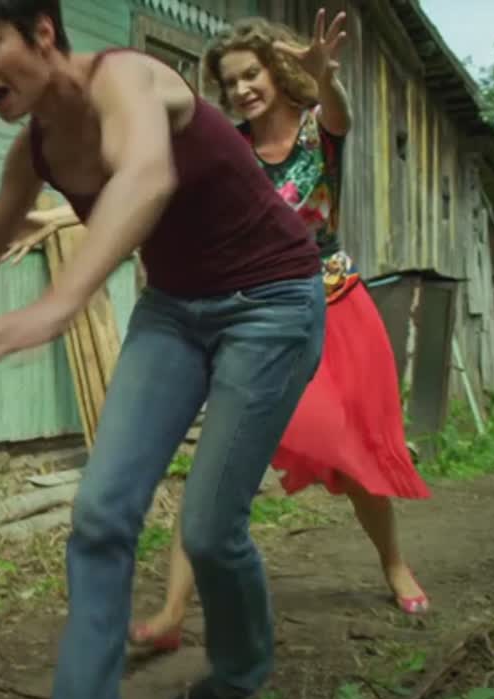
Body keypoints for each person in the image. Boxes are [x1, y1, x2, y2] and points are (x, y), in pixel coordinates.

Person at [0, 1, 326, 699]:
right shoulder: (35, 150)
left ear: (44, 32)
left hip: (271, 302)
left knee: (209, 532)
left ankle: (238, 673)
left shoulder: (127, 78)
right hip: (175, 312)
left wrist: (59, 304)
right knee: (101, 514)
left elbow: (147, 177)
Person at [128, 11, 432, 655]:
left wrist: (324, 79)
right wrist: (64, 213)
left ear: (274, 71)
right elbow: (155, 195)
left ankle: (394, 564)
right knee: (217, 463)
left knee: (354, 459)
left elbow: (341, 115)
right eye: (229, 82)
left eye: (251, 74)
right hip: (261, 317)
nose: (241, 90)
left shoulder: (318, 130)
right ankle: (173, 611)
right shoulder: (227, 149)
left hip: (337, 310)